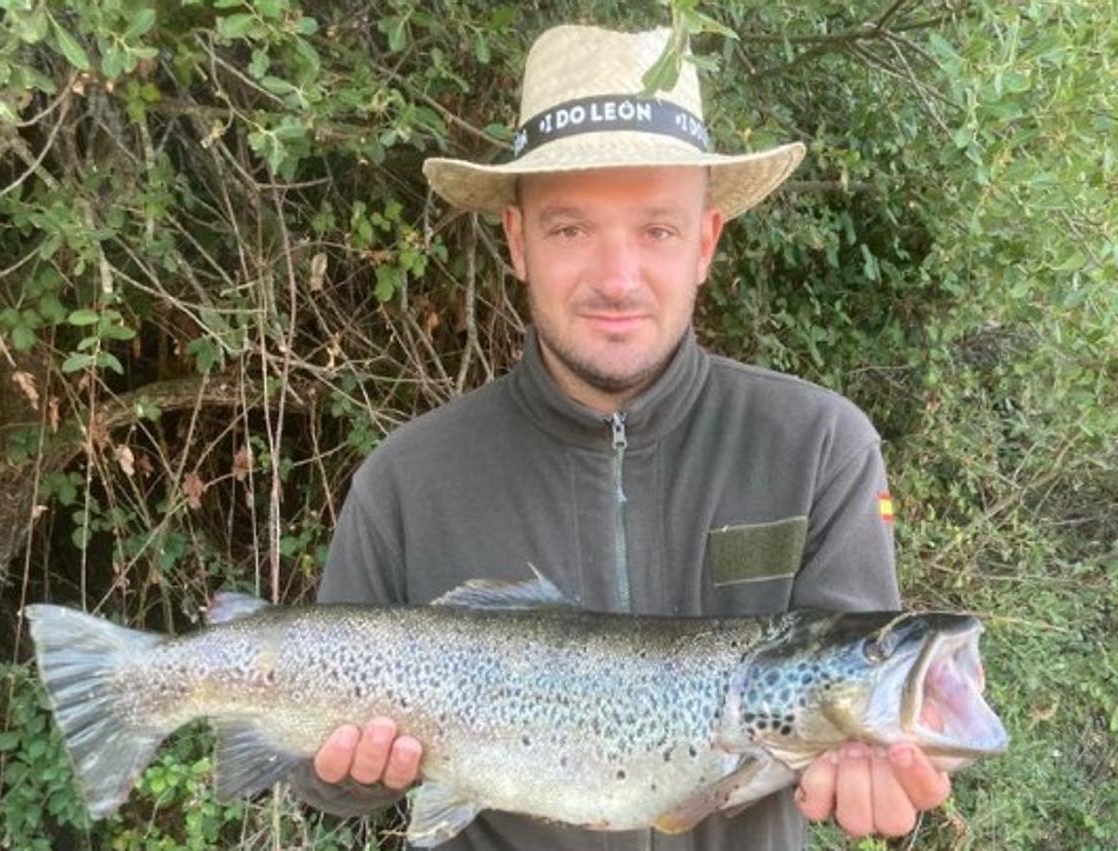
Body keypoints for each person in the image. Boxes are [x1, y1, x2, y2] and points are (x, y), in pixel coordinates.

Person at [291, 23, 950, 849]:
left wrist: (879, 776)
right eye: (570, 229)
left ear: (705, 244)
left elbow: (857, 705)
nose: (616, 278)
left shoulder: (820, 446)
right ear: (518, 241)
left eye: (657, 230)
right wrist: (346, 770)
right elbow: (319, 780)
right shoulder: (404, 481)